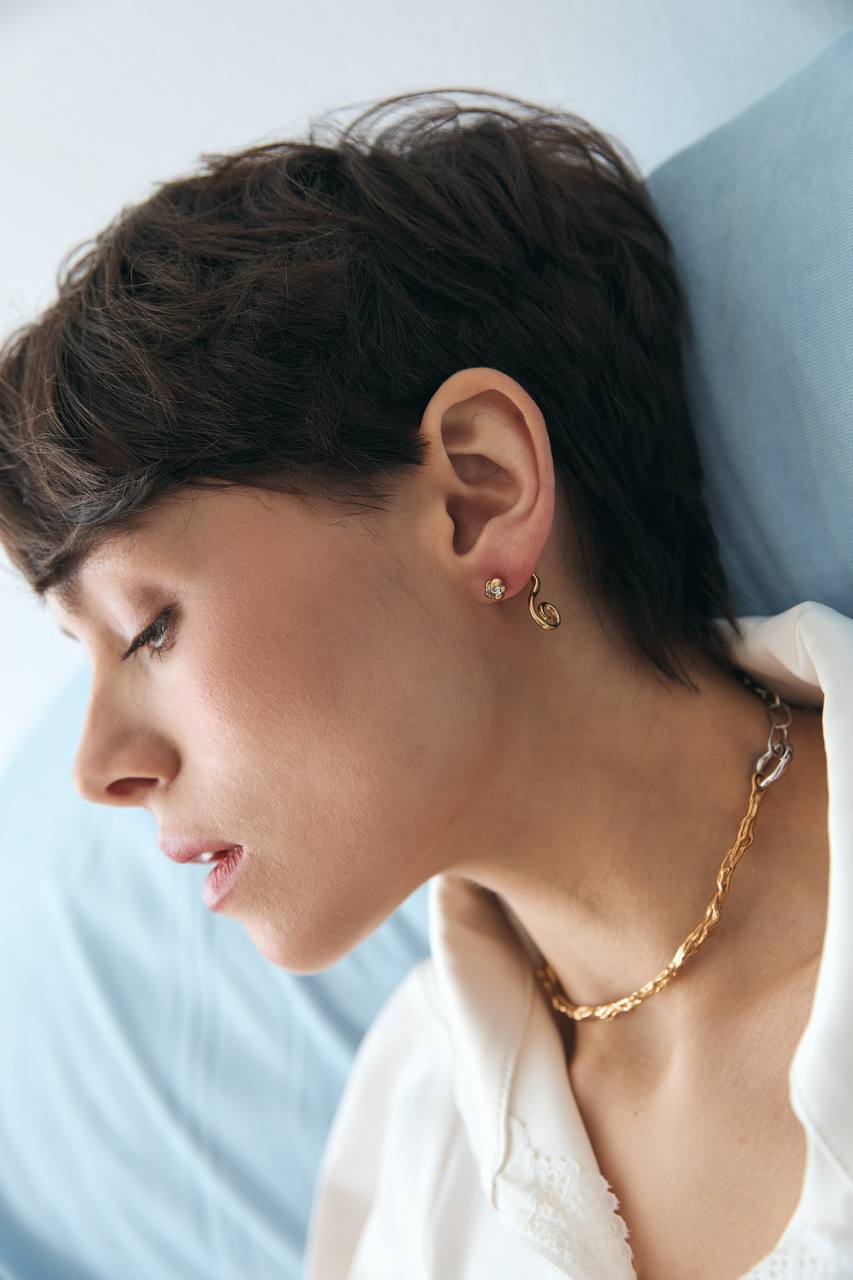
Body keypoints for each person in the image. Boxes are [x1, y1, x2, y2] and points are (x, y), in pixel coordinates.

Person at [0, 88, 849, 1278]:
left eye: (150, 627)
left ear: (475, 493)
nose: (97, 768)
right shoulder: (412, 1148)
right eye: (82, 651)